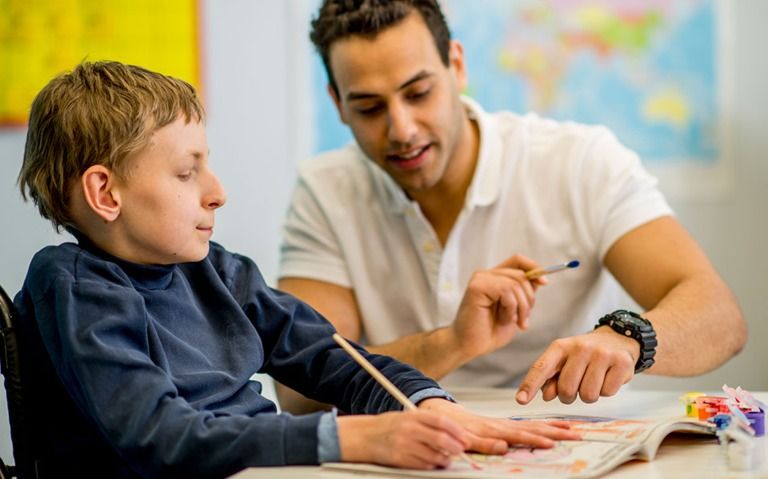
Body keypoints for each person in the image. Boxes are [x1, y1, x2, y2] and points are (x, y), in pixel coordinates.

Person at [13, 61, 579, 478]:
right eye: (187, 174)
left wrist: (427, 405)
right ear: (104, 192)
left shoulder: (216, 271)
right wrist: (354, 438)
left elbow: (334, 357)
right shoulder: (72, 286)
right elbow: (160, 438)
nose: (217, 193)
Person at [276, 0, 747, 412]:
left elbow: (720, 317)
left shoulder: (581, 161)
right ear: (337, 104)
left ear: (456, 66)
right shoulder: (325, 191)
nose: (402, 129)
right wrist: (452, 343)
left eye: (419, 93)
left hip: (576, 446)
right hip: (406, 449)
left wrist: (627, 339)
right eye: (369, 108)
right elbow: (299, 390)